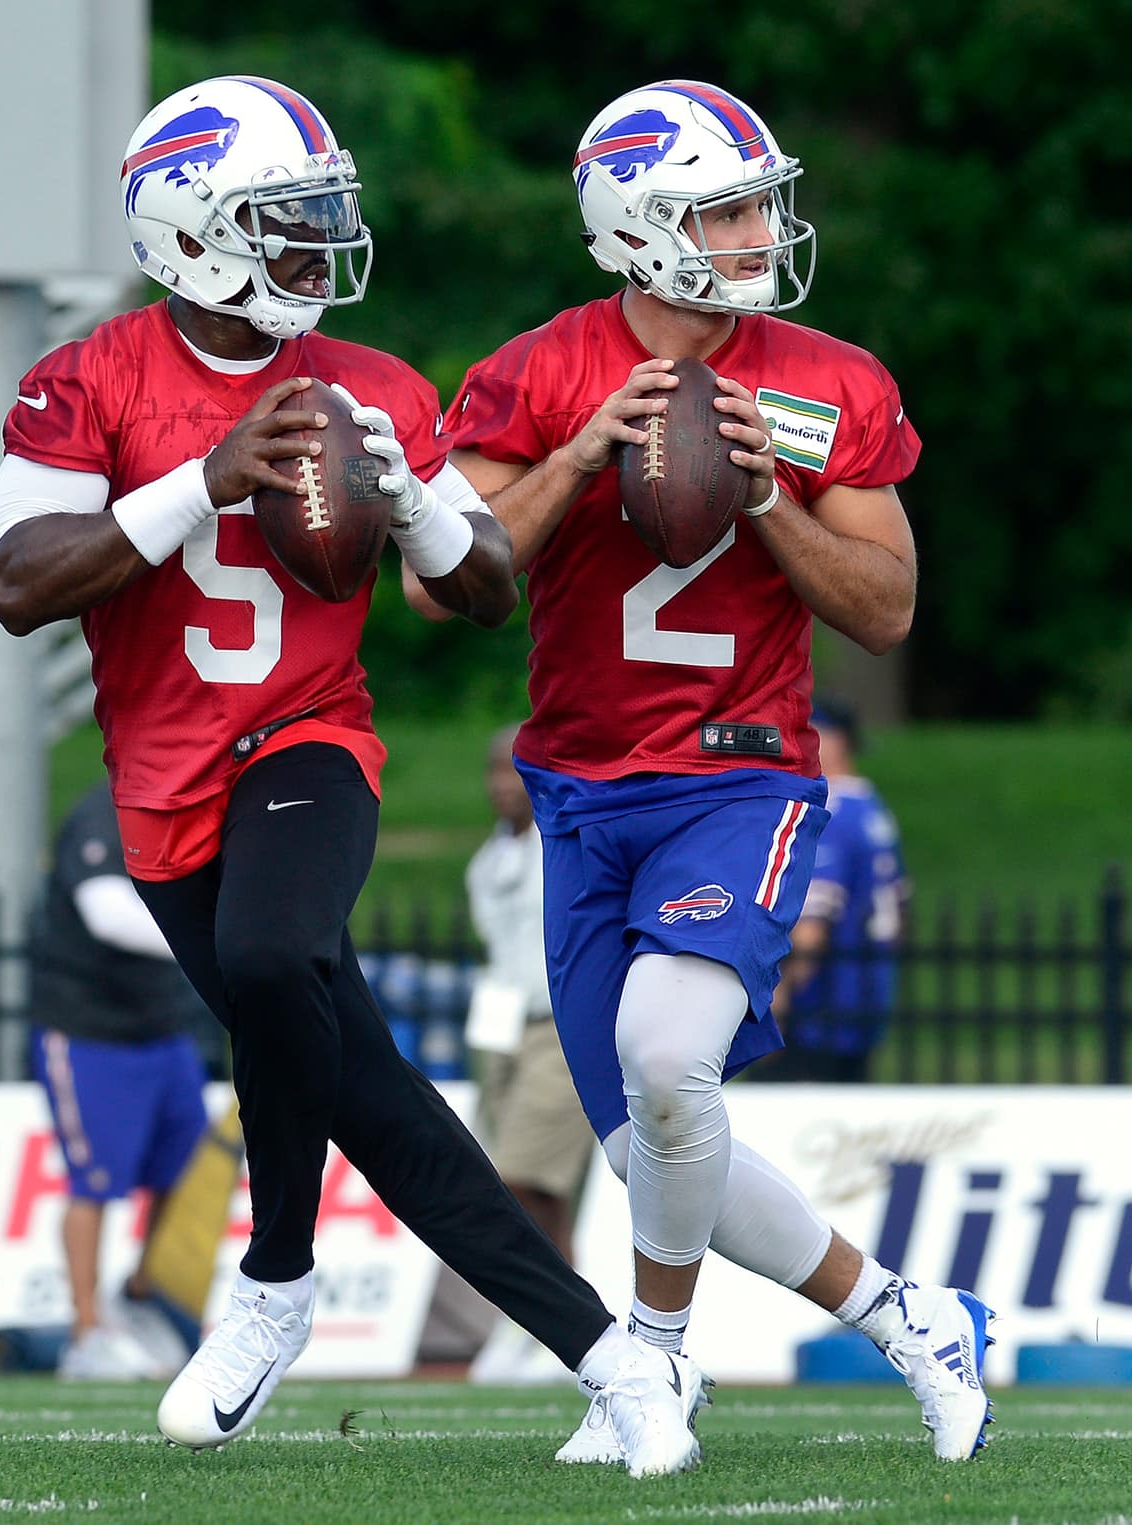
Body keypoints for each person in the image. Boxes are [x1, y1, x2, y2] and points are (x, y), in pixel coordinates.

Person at [0, 75, 702, 1478]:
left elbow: (485, 590)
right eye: (285, 219)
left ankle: (271, 1282)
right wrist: (202, 479)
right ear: (189, 230)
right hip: (163, 781)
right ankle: (615, 1359)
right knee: (371, 1096)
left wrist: (420, 501)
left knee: (270, 954)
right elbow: (17, 584)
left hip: (310, 740)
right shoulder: (87, 379)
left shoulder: (373, 383)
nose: (318, 246)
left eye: (324, 214)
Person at [431, 79, 995, 1462]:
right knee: (652, 1140)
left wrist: (766, 503)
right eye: (724, 210)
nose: (759, 232)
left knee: (666, 1059)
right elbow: (444, 587)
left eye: (759, 204)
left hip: (738, 778)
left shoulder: (827, 380)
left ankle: (655, 1362)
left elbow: (885, 608)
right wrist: (579, 456)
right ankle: (912, 1318)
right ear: (637, 225)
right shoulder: (536, 373)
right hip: (581, 792)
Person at [30, 780, 213, 1380]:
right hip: (90, 1028)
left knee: (183, 1172)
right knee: (95, 1182)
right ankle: (86, 1331)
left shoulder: (191, 806)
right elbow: (107, 913)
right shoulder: (103, 811)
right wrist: (211, 942)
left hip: (163, 1024)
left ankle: (141, 1297)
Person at [464, 725, 595, 1384]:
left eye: (514, 772)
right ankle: (570, 1323)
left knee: (520, 1177)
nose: (502, 786)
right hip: (500, 1031)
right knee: (539, 1190)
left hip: (557, 1027)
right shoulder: (487, 861)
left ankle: (542, 1319)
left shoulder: (566, 844)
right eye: (494, 772)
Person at [765, 698, 912, 1081]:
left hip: (817, 1009)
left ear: (833, 740)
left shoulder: (831, 812)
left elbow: (812, 924)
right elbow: (901, 906)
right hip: (864, 996)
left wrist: (780, 994)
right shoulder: (873, 809)